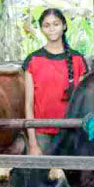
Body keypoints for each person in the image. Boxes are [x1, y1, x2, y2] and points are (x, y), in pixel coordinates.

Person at [23, 8, 89, 156]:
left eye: (56, 24)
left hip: (71, 132)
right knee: (42, 176)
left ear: (64, 26)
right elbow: (28, 104)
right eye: (47, 25)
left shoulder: (78, 60)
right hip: (41, 132)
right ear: (42, 29)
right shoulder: (33, 61)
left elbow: (83, 104)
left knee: (70, 176)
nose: (51, 28)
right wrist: (33, 144)